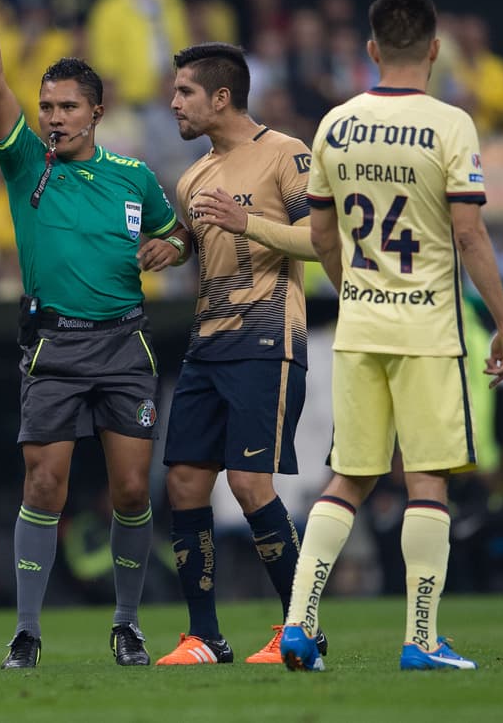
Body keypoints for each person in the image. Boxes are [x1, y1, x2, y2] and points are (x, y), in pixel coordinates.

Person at [0, 0, 190, 669]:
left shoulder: (136, 176)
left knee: (127, 488)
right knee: (45, 484)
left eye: (65, 107)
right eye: (47, 107)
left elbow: (174, 233)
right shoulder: (28, 165)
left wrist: (172, 250)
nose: (52, 117)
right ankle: (27, 631)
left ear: (97, 111)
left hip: (124, 344)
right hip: (53, 346)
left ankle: (127, 623)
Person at [277, 0, 503, 672]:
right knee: (427, 481)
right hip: (427, 330)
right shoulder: (450, 126)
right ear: (436, 49)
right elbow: (468, 232)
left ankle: (297, 625)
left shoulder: (336, 125)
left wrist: (353, 281)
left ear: (373, 49)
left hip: (358, 325)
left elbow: (321, 234)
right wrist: (502, 318)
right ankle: (420, 638)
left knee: (348, 479)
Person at [154, 42, 325, 666]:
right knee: (184, 481)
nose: (174, 102)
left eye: (184, 92)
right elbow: (193, 240)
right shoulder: (192, 175)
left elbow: (322, 239)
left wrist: (247, 222)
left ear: (220, 97)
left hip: (268, 342)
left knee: (250, 483)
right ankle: (205, 635)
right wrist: (168, 249)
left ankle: (300, 628)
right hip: (207, 344)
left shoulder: (288, 154)